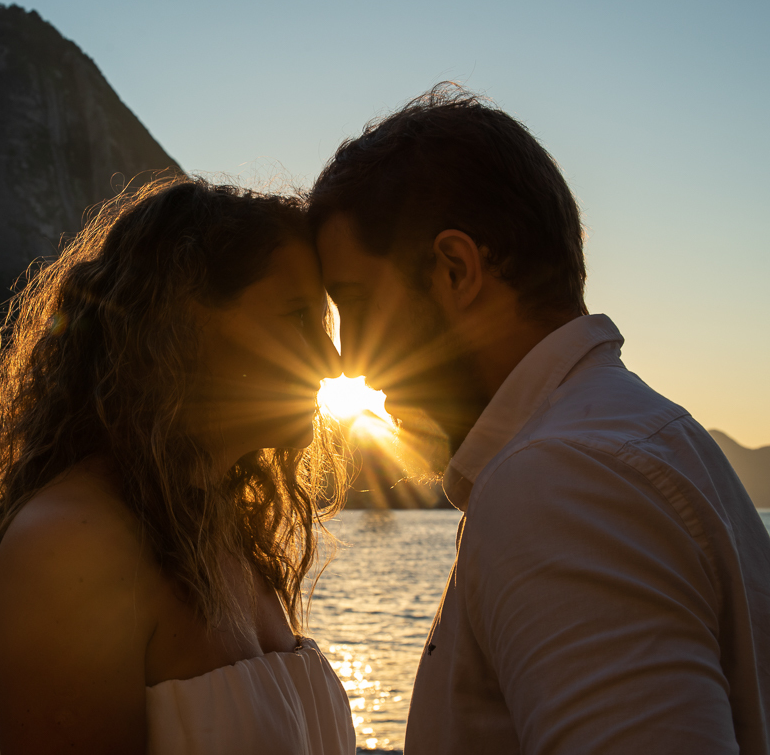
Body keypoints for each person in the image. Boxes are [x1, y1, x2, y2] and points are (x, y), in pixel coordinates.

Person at [309, 83, 770, 754]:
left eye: (354, 303)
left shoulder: (559, 483)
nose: (348, 361)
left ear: (455, 270)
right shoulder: (649, 438)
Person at [0, 176, 357, 755]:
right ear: (178, 327)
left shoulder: (224, 535)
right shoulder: (71, 548)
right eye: (297, 319)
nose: (333, 361)